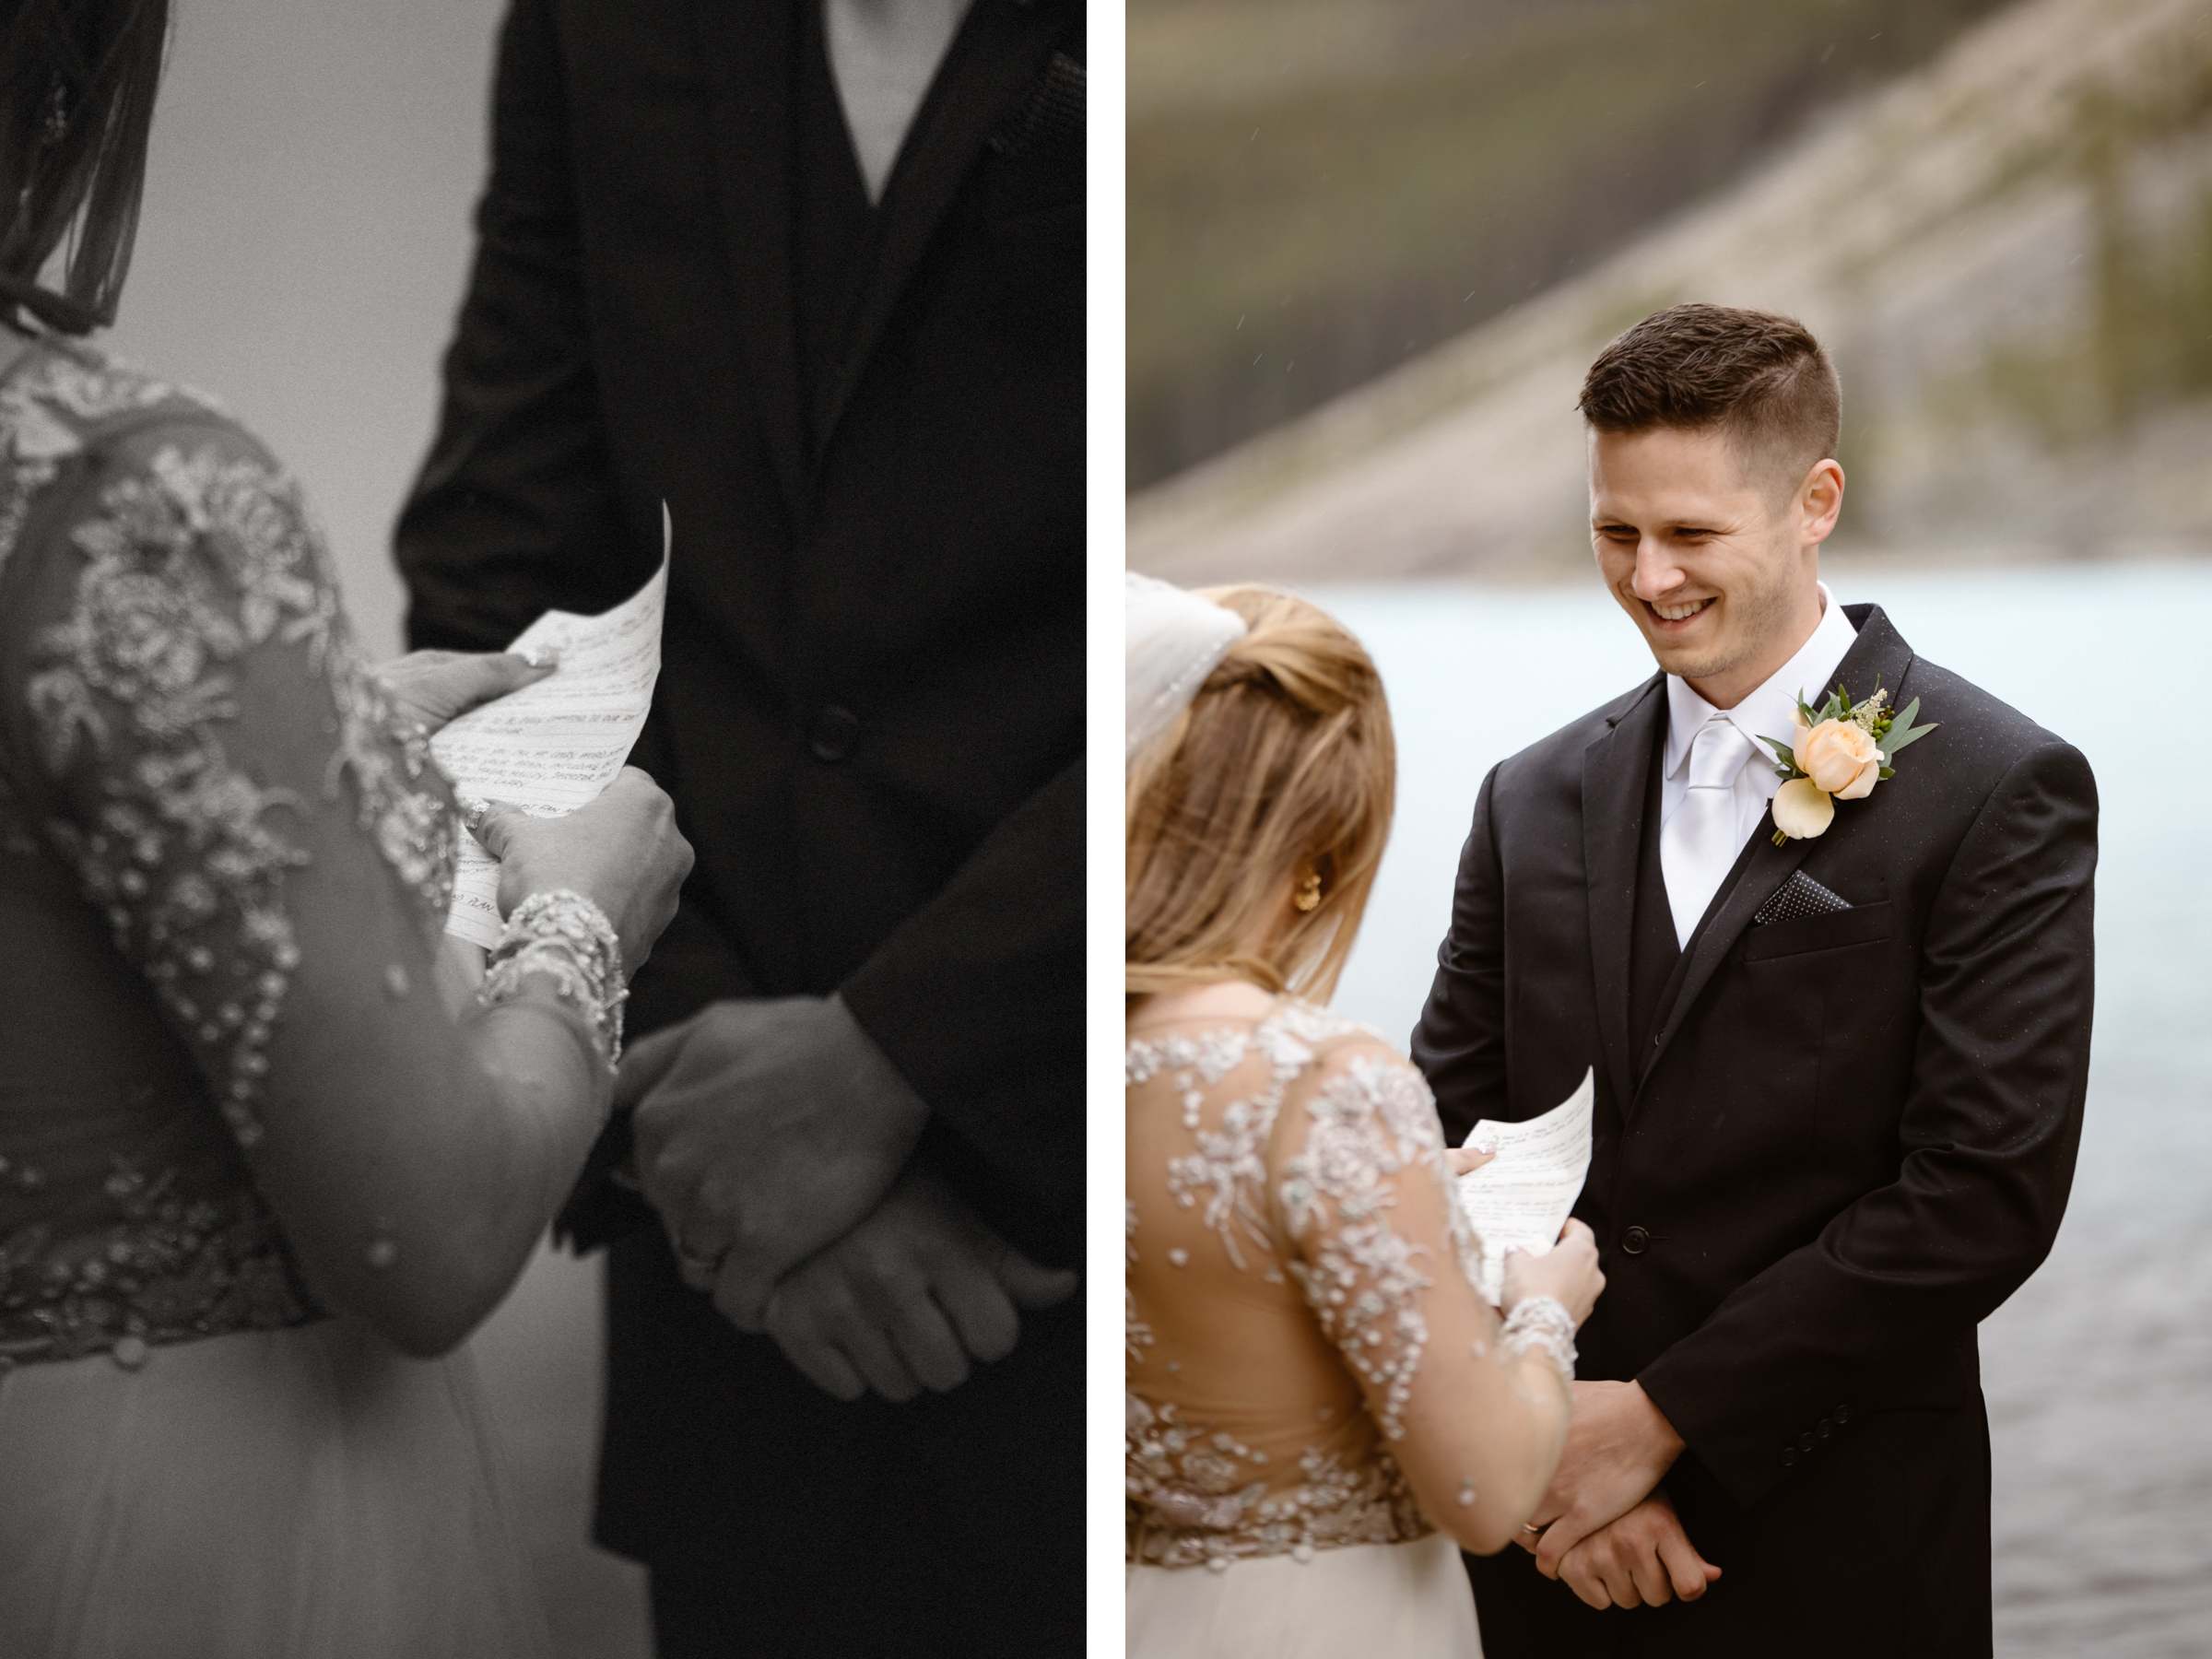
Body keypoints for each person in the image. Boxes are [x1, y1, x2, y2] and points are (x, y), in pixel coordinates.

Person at [0, 5, 694, 1654]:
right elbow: (429, 1233)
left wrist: (284, 754)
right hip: (164, 1505)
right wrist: (577, 933)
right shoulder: (126, 504)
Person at [394, 1, 1086, 1652]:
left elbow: (1246, 656)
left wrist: (910, 1052)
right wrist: (700, 1085)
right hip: (743, 1300)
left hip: (1089, 1216)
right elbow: (506, 585)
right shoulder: (591, 27)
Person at [1412, 303, 2097, 1653]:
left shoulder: (1997, 786)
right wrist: (1555, 1451)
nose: (1650, 577)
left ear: (1814, 501)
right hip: (1548, 1545)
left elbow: (1979, 1195)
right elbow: (1443, 1139)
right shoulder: (1529, 797)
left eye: (1692, 535)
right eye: (1616, 534)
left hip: (1833, 1536)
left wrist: (1662, 1432)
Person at [1124, 575, 1609, 1658]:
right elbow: (1484, 1492)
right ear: (1324, 855)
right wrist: (1543, 1308)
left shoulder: (1065, 1053)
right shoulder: (1326, 1086)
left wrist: (1400, 1196)